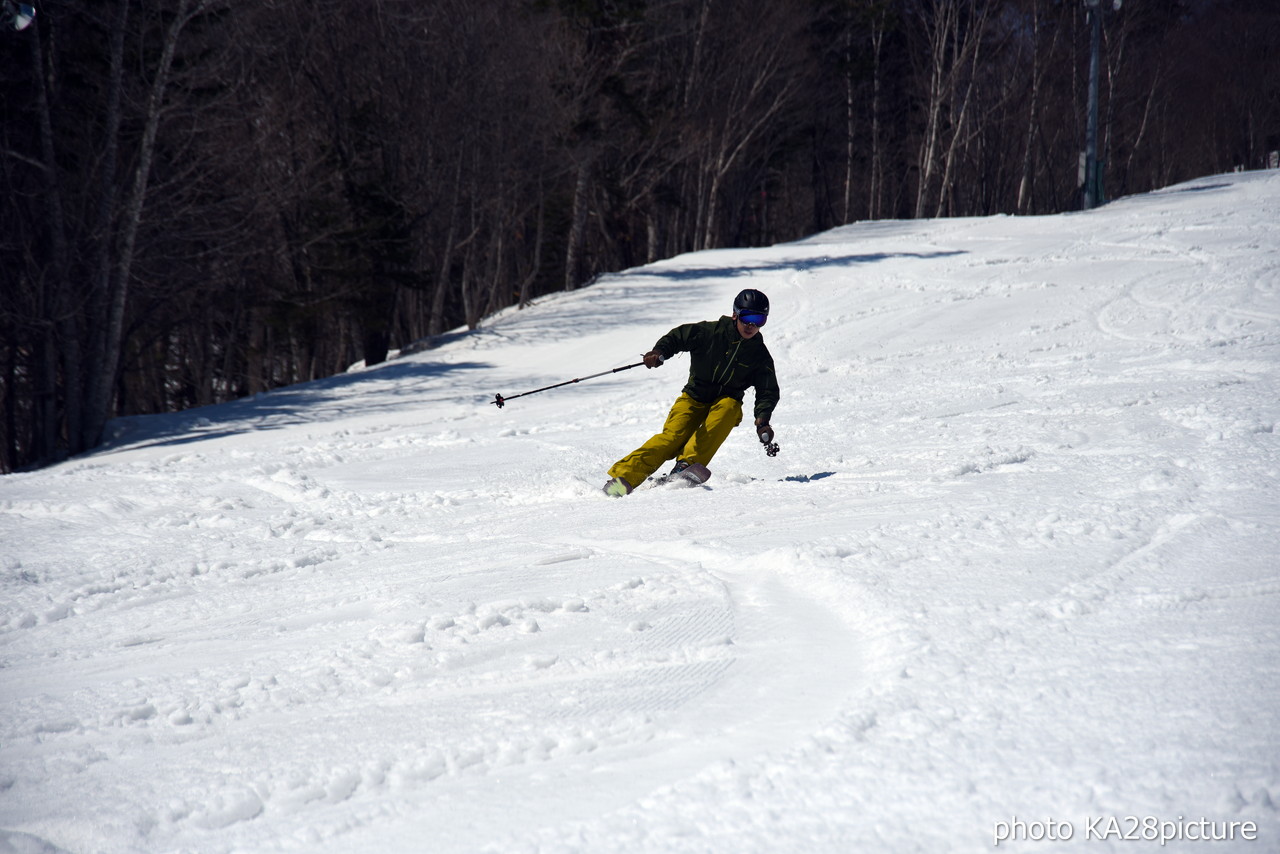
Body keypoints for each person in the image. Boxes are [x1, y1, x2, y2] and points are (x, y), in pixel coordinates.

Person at [603, 288, 779, 496]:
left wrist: (762, 420)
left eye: (759, 320)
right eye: (747, 317)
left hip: (725, 402)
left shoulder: (759, 354)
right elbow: (678, 336)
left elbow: (767, 389)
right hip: (693, 398)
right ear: (735, 314)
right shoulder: (710, 333)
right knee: (672, 438)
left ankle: (686, 465)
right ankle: (622, 478)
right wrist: (659, 352)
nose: (751, 325)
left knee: (730, 408)